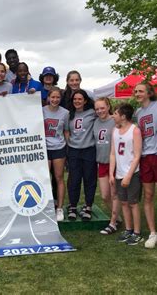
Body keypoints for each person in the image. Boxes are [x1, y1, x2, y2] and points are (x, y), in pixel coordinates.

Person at [134, 82, 157, 249]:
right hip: (145, 157)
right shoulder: (138, 112)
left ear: (149, 92)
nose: (137, 93)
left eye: (140, 91)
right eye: (136, 91)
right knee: (148, 195)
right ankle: (152, 232)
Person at [110, 103, 143, 246]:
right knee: (123, 202)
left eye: (115, 114)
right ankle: (128, 229)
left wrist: (129, 175)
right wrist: (111, 173)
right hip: (119, 173)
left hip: (132, 173)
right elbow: (112, 153)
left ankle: (137, 232)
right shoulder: (115, 130)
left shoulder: (135, 131)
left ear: (123, 116)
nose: (113, 116)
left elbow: (137, 156)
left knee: (133, 203)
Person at [66, 90, 97, 221]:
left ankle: (88, 206)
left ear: (85, 100)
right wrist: (70, 142)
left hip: (89, 150)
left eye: (80, 99)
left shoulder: (92, 113)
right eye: (75, 99)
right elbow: (66, 130)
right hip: (74, 150)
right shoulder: (68, 114)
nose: (77, 101)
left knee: (89, 179)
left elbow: (106, 115)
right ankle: (73, 206)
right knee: (74, 180)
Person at [93, 98, 122, 235]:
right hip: (102, 162)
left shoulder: (115, 121)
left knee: (114, 194)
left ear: (108, 106)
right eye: (97, 109)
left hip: (115, 163)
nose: (100, 111)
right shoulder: (95, 122)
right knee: (105, 196)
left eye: (102, 108)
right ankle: (117, 217)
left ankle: (113, 222)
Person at [43, 87, 69, 221]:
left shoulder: (65, 113)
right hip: (44, 147)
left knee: (59, 178)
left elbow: (66, 131)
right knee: (45, 179)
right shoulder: (41, 110)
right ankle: (46, 206)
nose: (55, 100)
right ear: (48, 97)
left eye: (57, 97)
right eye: (52, 97)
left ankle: (59, 208)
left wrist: (70, 147)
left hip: (59, 147)